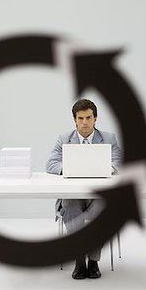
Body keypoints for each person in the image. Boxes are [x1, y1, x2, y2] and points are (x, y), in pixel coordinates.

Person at [46, 99, 122, 280]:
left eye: (89, 118)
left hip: (99, 195)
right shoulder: (64, 139)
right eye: (80, 118)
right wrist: (69, 169)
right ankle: (79, 260)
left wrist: (105, 168)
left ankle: (93, 261)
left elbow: (119, 162)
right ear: (75, 120)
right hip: (73, 194)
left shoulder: (109, 138)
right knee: (69, 204)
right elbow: (51, 164)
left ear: (96, 118)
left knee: (102, 209)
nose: (85, 122)